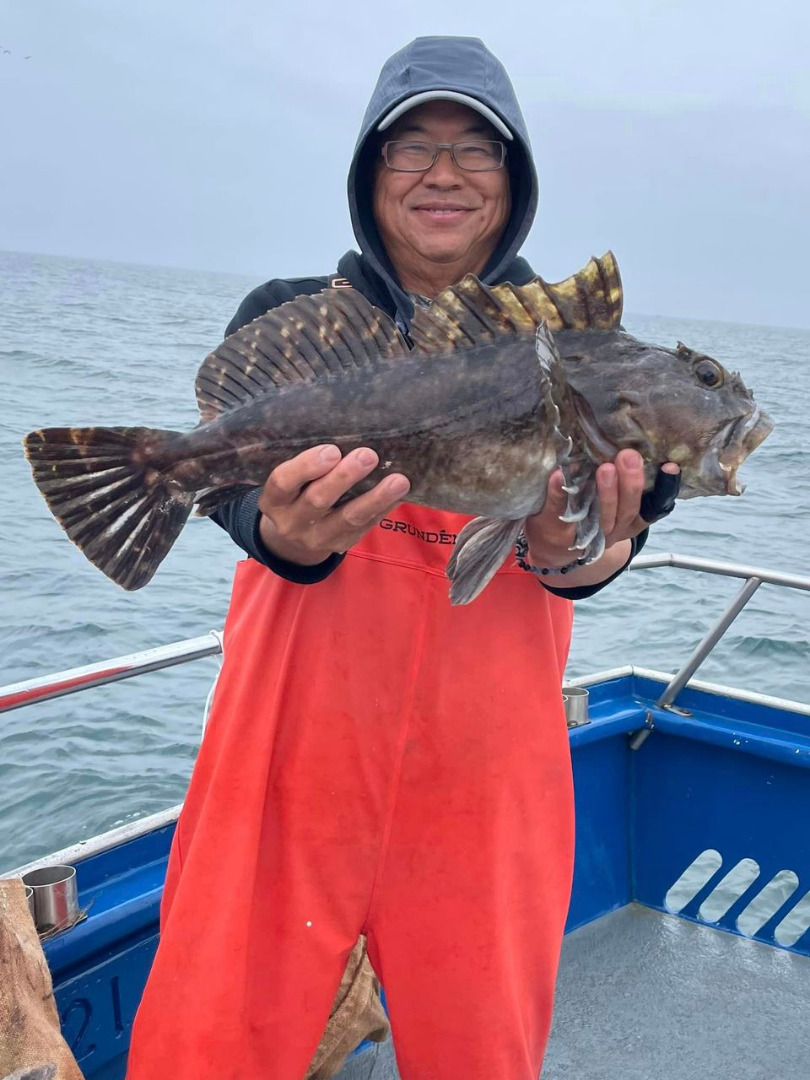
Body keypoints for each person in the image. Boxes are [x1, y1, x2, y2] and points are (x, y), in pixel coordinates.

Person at [126, 36, 678, 1080]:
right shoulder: (288, 318)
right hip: (289, 757)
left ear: (512, 185)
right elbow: (236, 496)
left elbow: (617, 534)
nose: (442, 171)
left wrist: (578, 551)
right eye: (410, 147)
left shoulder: (593, 360)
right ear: (368, 175)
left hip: (486, 777)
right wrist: (279, 535)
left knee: (482, 1053)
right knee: (208, 1041)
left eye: (477, 149)